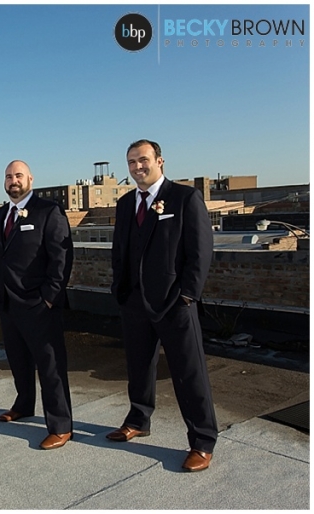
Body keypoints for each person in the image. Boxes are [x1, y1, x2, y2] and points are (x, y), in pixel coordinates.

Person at [109, 139, 217, 472]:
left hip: (174, 303)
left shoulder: (185, 198)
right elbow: (120, 250)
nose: (137, 167)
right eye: (131, 162)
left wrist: (187, 296)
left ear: (160, 161)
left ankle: (202, 441)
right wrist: (120, 291)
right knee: (139, 367)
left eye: (143, 160)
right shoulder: (125, 203)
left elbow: (200, 251)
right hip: (134, 302)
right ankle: (138, 419)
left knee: (189, 373)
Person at [0, 160, 74, 450]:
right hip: (9, 303)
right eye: (8, 176)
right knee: (18, 360)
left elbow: (61, 257)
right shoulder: (1, 214)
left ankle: (61, 426)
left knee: (50, 367)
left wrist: (49, 297)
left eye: (18, 175)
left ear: (30, 179)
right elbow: (0, 258)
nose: (13, 180)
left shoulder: (49, 211)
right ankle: (24, 404)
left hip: (39, 304)